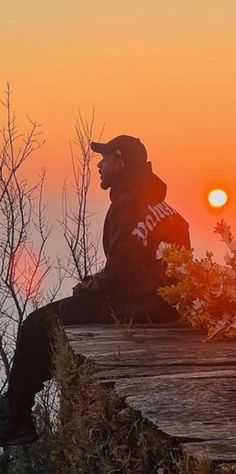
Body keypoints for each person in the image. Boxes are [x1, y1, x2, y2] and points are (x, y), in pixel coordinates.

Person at [0, 135, 190, 446]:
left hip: (133, 307)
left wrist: (87, 287)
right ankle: (12, 406)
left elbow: (120, 271)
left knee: (35, 325)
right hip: (158, 304)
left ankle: (17, 419)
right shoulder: (161, 205)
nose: (99, 166)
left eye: (104, 159)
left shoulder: (130, 202)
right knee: (50, 320)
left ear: (121, 162)